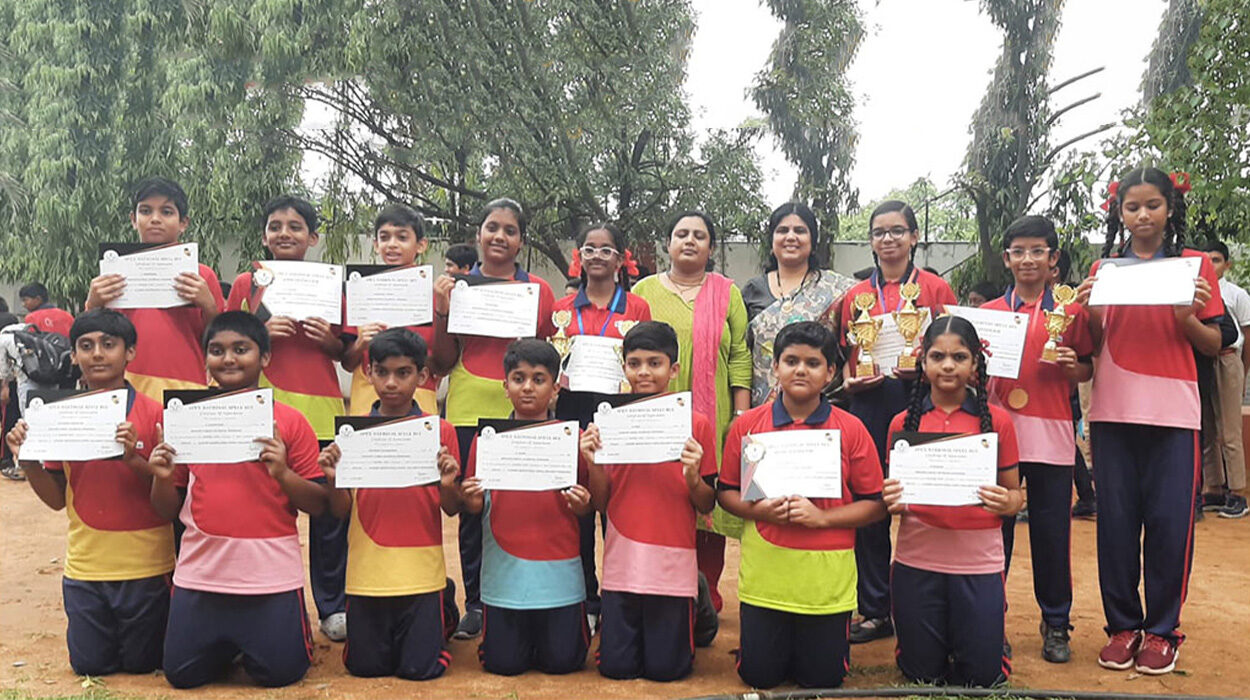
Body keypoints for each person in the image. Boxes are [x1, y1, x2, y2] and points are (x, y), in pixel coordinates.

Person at [1073, 167, 1222, 675]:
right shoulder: (1105, 270)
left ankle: (1162, 631)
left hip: (1174, 415)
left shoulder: (1194, 267)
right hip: (1113, 412)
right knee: (1114, 524)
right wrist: (1088, 309)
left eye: (1153, 205)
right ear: (1119, 212)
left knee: (1169, 526)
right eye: (1132, 207)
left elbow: (1217, 343)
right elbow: (1090, 347)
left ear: (1169, 208)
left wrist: (1187, 319)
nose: (1142, 216)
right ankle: (1122, 626)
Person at [147, 312, 328, 689]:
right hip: (201, 574)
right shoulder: (186, 419)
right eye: (217, 350)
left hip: (270, 576)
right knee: (182, 676)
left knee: (281, 675)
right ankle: (226, 643)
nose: (228, 359)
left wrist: (283, 474)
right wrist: (162, 479)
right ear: (205, 359)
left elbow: (319, 505)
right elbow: (167, 510)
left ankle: (261, 638)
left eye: (240, 349)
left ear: (265, 358)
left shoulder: (291, 422)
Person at [719, 321, 887, 689]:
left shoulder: (851, 428)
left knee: (823, 680)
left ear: (830, 372)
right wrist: (758, 510)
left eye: (813, 363)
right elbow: (727, 492)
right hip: (767, 577)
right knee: (759, 675)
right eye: (791, 360)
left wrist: (822, 518)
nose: (800, 370)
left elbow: (875, 504)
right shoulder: (748, 425)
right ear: (775, 367)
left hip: (825, 582)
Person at [4, 310, 172, 676]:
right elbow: (54, 500)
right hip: (85, 570)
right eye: (86, 346)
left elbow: (172, 500)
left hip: (148, 569)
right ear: (74, 356)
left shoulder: (157, 416)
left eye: (108, 345)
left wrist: (134, 460)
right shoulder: (57, 417)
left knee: (144, 666)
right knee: (89, 667)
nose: (97, 354)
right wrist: (28, 459)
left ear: (130, 353)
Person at [429, 198, 557, 640]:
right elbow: (442, 362)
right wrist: (444, 311)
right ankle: (478, 603)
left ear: (521, 241)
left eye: (510, 230)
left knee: (522, 503)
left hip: (523, 409)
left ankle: (522, 595)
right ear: (478, 234)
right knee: (472, 508)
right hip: (467, 406)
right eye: (492, 228)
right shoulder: (455, 288)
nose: (500, 236)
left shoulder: (539, 291)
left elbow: (546, 358)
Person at [226, 195, 351, 642]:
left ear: (313, 238)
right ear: (263, 235)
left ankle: (333, 606)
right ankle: (254, 596)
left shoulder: (333, 285)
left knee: (328, 511)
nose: (284, 233)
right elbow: (228, 343)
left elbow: (351, 356)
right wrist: (260, 332)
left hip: (320, 408)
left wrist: (330, 344)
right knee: (261, 501)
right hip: (262, 409)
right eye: (275, 225)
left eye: (295, 226)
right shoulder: (247, 283)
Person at [835, 200, 957, 643]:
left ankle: (923, 604)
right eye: (880, 232)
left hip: (921, 404)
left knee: (922, 503)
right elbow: (846, 357)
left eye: (897, 231)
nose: (888, 239)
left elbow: (955, 348)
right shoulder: (854, 295)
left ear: (914, 236)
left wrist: (924, 367)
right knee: (870, 506)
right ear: (870, 240)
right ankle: (873, 608)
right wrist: (850, 379)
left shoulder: (936, 289)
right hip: (868, 405)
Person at [882, 315, 1022, 687]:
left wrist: (1003, 501)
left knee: (982, 678)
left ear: (976, 363)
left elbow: (1015, 497)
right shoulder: (901, 424)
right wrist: (890, 498)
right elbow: (890, 496)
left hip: (977, 563)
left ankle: (987, 642)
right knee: (922, 675)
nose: (947, 365)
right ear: (922, 361)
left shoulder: (998, 422)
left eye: (959, 357)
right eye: (937, 356)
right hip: (917, 561)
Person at [317, 328, 463, 680]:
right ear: (368, 373)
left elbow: (452, 507)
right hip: (367, 572)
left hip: (420, 570)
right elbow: (340, 511)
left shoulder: (440, 432)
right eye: (382, 372)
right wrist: (334, 480)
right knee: (365, 668)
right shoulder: (352, 433)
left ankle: (443, 603)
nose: (391, 383)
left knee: (421, 669)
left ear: (423, 376)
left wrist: (446, 484)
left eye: (403, 373)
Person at [981, 216, 1093, 663]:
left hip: (1051, 432)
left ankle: (1057, 621)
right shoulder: (987, 314)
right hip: (995, 435)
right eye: (1019, 251)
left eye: (1037, 251)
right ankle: (989, 617)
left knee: (1052, 532)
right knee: (993, 533)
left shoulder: (1071, 312)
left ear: (1053, 259)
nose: (1028, 259)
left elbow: (1087, 367)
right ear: (1007, 258)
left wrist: (1074, 368)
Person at [578, 321, 716, 681]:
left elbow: (706, 504)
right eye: (634, 363)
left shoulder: (697, 424)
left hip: (673, 561)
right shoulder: (607, 422)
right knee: (615, 669)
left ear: (674, 369)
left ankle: (699, 607)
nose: (643, 372)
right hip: (623, 559)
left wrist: (693, 477)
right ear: (623, 367)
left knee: (667, 671)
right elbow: (602, 504)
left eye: (654, 363)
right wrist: (592, 463)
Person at [632, 210, 751, 613]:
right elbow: (628, 354)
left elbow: (738, 356)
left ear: (711, 247)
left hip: (713, 416)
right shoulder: (644, 291)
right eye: (681, 234)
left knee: (708, 496)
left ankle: (706, 597)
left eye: (699, 235)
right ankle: (660, 590)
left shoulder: (727, 292)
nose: (689, 241)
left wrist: (739, 417)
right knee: (662, 495)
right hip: (653, 415)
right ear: (668, 243)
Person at [460, 339, 592, 675]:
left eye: (539, 379)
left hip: (559, 575)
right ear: (505, 387)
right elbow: (474, 504)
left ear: (556, 388)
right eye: (519, 379)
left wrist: (583, 505)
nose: (528, 388)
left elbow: (588, 504)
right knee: (504, 665)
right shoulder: (484, 440)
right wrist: (472, 501)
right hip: (504, 578)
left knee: (564, 663)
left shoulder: (573, 441)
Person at [552, 222, 651, 634]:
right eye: (589, 249)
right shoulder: (560, 308)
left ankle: (617, 596)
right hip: (570, 415)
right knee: (574, 508)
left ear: (619, 258)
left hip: (618, 414)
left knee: (615, 508)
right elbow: (548, 359)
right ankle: (585, 597)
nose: (596, 256)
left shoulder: (637, 308)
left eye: (606, 250)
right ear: (579, 257)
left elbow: (645, 358)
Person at [84, 178, 224, 402]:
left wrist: (208, 306)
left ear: (183, 223)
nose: (155, 219)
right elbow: (90, 336)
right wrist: (93, 304)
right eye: (146, 211)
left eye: (167, 212)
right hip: (126, 387)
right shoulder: (113, 274)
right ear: (133, 219)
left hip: (187, 385)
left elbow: (220, 341)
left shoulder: (202, 276)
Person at [740, 202, 854, 406]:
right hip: (764, 411)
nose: (790, 237)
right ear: (772, 240)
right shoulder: (752, 290)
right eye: (782, 230)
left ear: (812, 241)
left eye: (800, 231)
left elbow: (850, 349)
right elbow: (741, 356)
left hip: (823, 409)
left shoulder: (839, 290)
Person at [344, 204, 440, 417]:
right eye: (385, 238)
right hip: (367, 399)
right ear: (376, 245)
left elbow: (441, 365)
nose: (392, 245)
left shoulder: (434, 297)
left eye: (402, 237)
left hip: (420, 399)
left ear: (421, 245)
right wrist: (361, 343)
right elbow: (348, 363)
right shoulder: (360, 291)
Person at [1201, 241, 1250, 518]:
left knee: (1230, 430)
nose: (1211, 264)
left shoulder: (1236, 294)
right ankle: (1214, 487)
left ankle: (1237, 493)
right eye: (1207, 260)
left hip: (1228, 358)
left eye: (1217, 260)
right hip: (1206, 360)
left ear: (1227, 265)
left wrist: (1242, 371)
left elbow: (1247, 334)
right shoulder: (1198, 291)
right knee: (1208, 425)